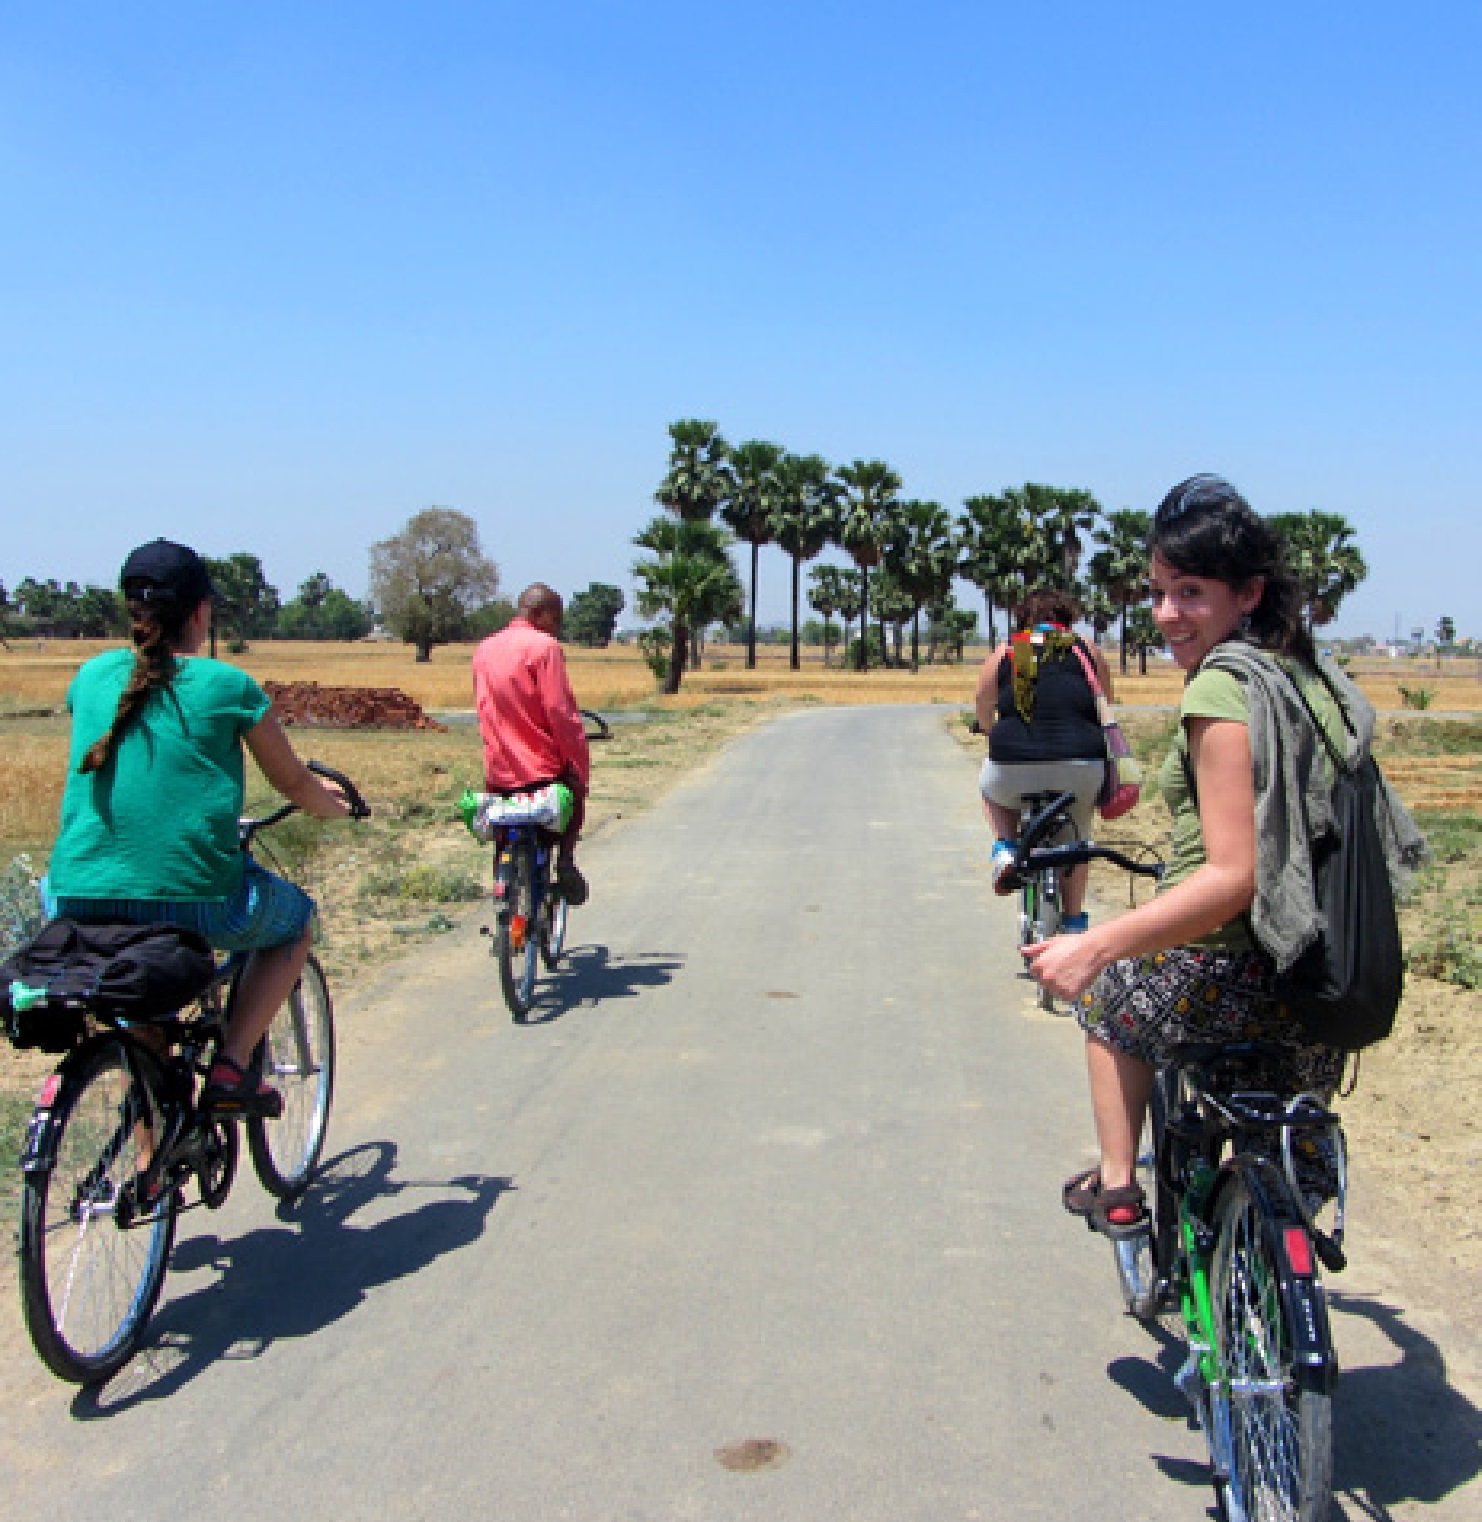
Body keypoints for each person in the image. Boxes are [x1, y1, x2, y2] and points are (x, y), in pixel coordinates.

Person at [1024, 475, 1425, 1235]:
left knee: (1110, 1004)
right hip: (1321, 976)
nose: (1167, 614)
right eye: (1160, 591)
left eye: (1192, 593)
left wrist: (1097, 946)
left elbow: (1233, 878)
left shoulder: (1223, 690)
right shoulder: (1312, 679)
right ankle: (1279, 1230)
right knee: (1278, 1130)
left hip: (1228, 968)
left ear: (1248, 594)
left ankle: (1116, 1187)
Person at [45, 538, 350, 1116]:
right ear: (201, 613)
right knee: (294, 924)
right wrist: (332, 806)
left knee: (145, 1033)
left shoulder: (89, 677)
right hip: (189, 899)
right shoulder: (228, 686)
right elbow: (292, 782)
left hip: (73, 897)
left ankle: (148, 1177)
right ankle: (232, 1068)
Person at [975, 588, 1114, 931]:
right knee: (1076, 837)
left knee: (991, 790)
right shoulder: (1084, 649)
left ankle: (1006, 848)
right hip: (1081, 764)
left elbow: (983, 699)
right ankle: (1073, 921)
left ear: (1023, 619)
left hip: (1013, 762)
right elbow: (1107, 698)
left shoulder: (1008, 650)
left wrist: (987, 727)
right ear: (1067, 620)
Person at [472, 583, 592, 905]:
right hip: (541, 769)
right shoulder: (544, 647)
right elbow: (559, 711)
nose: (558, 627)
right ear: (538, 613)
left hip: (499, 771)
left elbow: (483, 708)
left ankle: (503, 899)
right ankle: (565, 861)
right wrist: (579, 762)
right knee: (575, 792)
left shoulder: (484, 648)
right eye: (556, 619)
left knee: (504, 832)